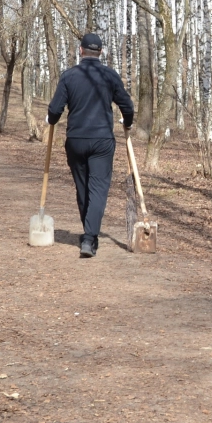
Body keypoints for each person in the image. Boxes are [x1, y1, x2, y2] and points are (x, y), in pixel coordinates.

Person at [47, 33, 134, 258]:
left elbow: (55, 110)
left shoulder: (69, 76)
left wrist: (52, 120)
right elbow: (127, 105)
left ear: (81, 50)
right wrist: (128, 121)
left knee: (83, 186)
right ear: (101, 52)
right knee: (98, 188)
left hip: (76, 139)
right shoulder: (109, 76)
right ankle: (89, 237)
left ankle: (89, 235)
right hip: (102, 140)